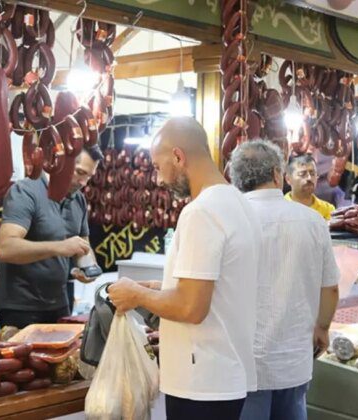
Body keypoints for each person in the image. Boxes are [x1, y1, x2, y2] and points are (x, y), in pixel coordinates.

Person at [108, 117, 261, 420]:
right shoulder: (239, 204)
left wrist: (136, 294)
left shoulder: (201, 212)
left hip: (201, 382)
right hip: (225, 374)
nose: (159, 178)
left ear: (178, 156)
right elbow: (214, 289)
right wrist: (159, 288)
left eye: (157, 166)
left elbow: (192, 307)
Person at [229, 141, 340, 420]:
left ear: (236, 177)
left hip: (245, 365)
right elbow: (330, 288)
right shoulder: (314, 222)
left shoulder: (228, 220)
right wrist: (322, 328)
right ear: (279, 176)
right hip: (295, 361)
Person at [0, 145, 103, 329]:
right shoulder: (26, 191)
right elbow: (5, 248)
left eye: (88, 177)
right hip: (20, 307)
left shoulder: (78, 200)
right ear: (62, 163)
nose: (83, 182)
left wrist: (87, 267)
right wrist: (59, 247)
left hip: (59, 304)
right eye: (80, 172)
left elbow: (83, 246)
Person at [285, 154, 335, 220]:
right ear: (288, 179)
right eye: (302, 174)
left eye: (313, 173)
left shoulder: (328, 210)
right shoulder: (280, 208)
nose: (309, 178)